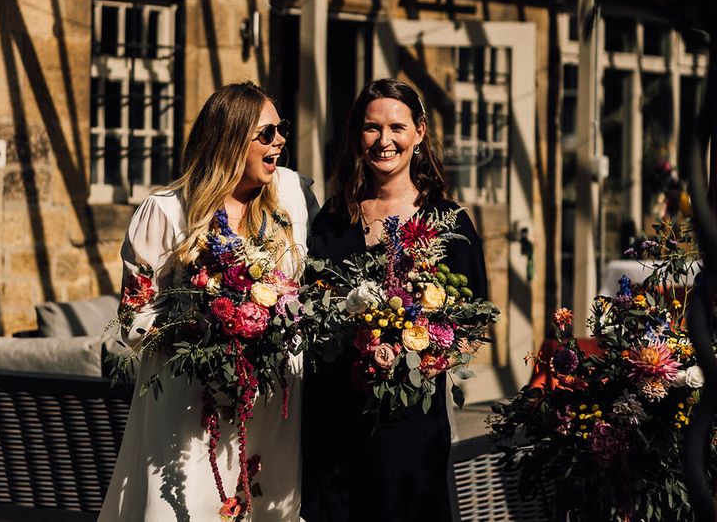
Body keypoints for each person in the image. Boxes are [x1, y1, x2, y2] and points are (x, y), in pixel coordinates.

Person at [99, 82, 313, 522]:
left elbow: (302, 294)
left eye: (281, 130)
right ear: (231, 142)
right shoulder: (166, 211)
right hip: (190, 405)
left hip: (273, 399)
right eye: (266, 133)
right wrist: (206, 323)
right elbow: (133, 316)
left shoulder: (290, 196)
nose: (280, 142)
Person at [301, 78, 488, 522]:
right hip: (334, 413)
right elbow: (309, 301)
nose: (384, 141)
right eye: (371, 128)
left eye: (397, 128)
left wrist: (421, 356)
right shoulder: (333, 217)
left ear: (419, 133)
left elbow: (472, 324)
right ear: (356, 136)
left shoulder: (448, 221)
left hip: (409, 420)